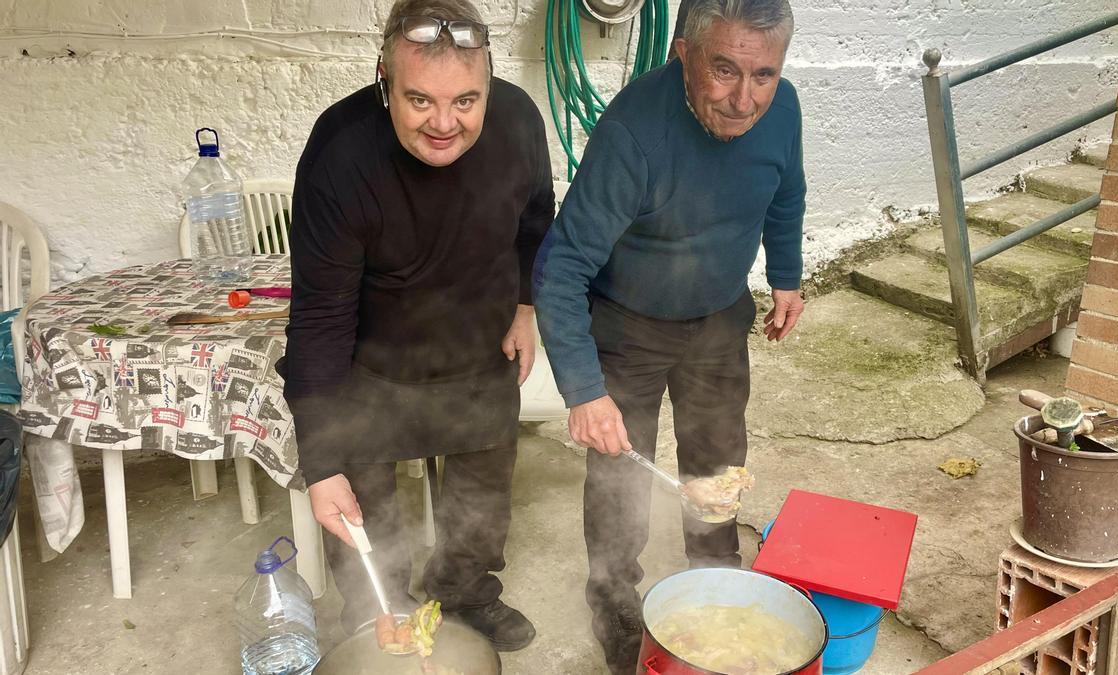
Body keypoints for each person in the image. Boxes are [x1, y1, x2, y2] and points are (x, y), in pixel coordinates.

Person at [532, 0, 806, 669]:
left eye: (764, 75)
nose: (745, 100)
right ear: (684, 53)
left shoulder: (784, 107)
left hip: (718, 317)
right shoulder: (632, 132)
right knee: (619, 469)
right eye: (725, 70)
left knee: (719, 456)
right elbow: (560, 266)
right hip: (629, 321)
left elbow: (786, 192)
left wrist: (788, 275)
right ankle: (613, 594)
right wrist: (583, 390)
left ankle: (715, 567)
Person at [279, 0, 554, 651]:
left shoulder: (517, 120)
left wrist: (525, 303)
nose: (444, 123)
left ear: (489, 83)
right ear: (384, 79)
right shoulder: (341, 154)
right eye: (420, 100)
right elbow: (317, 318)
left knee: (483, 496)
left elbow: (538, 220)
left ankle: (464, 589)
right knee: (362, 508)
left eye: (466, 100)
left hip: (478, 347)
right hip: (372, 363)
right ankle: (376, 603)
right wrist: (320, 464)